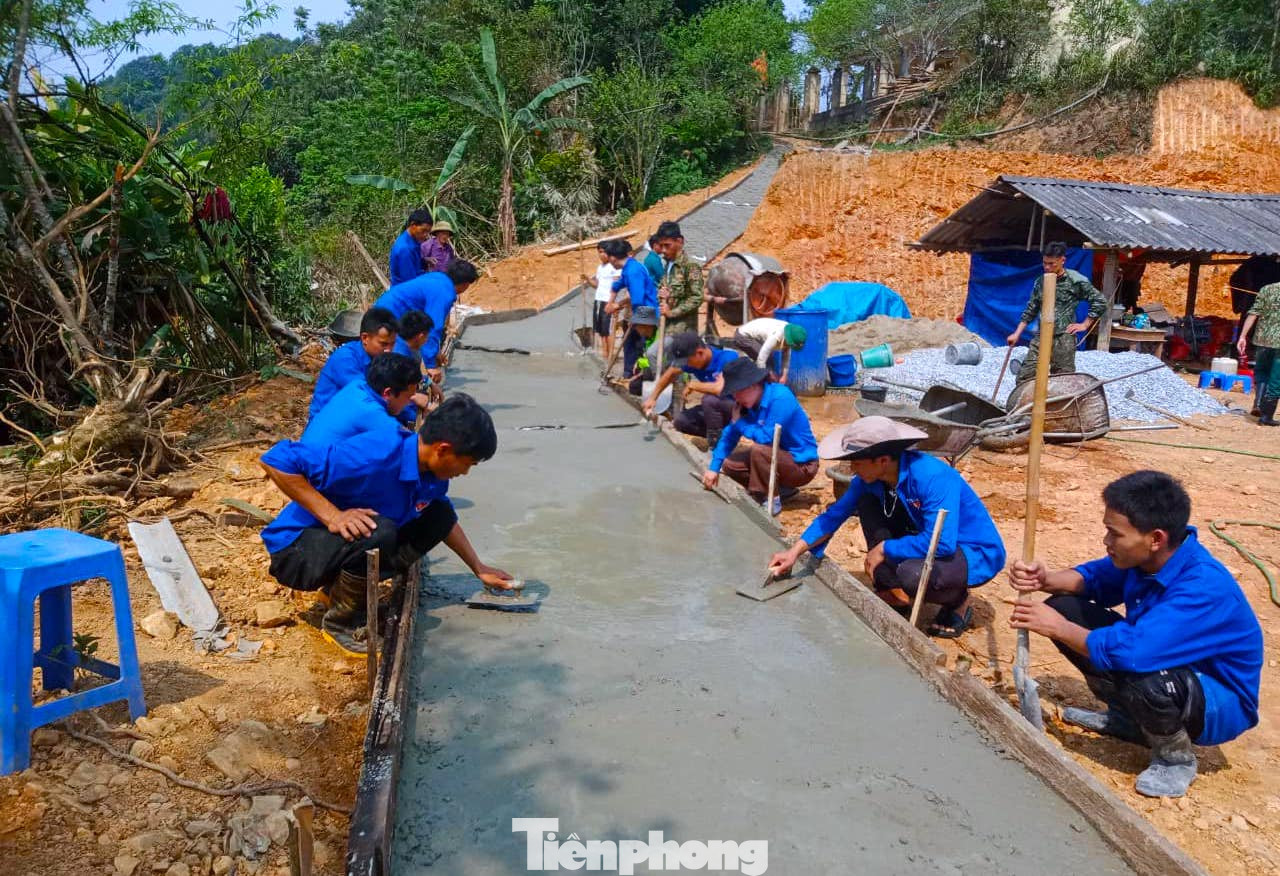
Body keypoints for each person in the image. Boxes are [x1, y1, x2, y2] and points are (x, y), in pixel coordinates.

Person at [1008, 471, 1263, 798]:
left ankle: (1175, 758)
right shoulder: (1147, 560)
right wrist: (1045, 579)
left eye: (1114, 534)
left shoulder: (1203, 588)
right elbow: (1096, 579)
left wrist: (1058, 628)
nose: (1106, 541)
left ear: (1155, 538)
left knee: (1140, 670)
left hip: (1217, 698)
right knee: (1066, 609)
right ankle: (1128, 721)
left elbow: (1136, 652)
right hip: (1166, 663)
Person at [259, 393, 517, 655]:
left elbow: (446, 520)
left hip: (335, 548)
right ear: (443, 449)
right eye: (467, 464)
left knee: (438, 514)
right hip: (296, 553)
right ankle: (340, 624)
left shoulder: (433, 475)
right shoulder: (373, 455)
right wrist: (333, 515)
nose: (465, 472)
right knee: (380, 531)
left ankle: (338, 596)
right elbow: (277, 459)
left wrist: (478, 567)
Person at [770, 417, 1005, 637]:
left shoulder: (931, 477)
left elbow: (941, 543)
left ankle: (957, 601)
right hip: (923, 533)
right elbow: (834, 516)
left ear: (882, 461)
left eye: (857, 463)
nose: (853, 469)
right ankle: (891, 588)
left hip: (969, 549)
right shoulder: (869, 480)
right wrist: (794, 552)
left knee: (912, 574)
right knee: (868, 502)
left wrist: (884, 548)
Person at [700, 358, 819, 515]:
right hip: (775, 457)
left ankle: (772, 501)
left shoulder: (780, 398)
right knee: (729, 464)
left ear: (753, 385)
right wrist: (713, 468)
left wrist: (740, 423)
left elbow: (766, 438)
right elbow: (729, 435)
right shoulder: (746, 405)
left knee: (759, 451)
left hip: (801, 465)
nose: (736, 397)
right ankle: (781, 490)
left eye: (738, 391)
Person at [1006, 242, 1107, 383]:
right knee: (1025, 376)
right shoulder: (1041, 282)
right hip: (1042, 336)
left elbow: (1100, 301)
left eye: (1051, 264)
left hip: (1063, 337)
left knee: (1062, 380)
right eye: (1044, 263)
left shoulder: (1075, 280)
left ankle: (1056, 404)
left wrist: (1085, 324)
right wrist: (1016, 334)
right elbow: (1031, 309)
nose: (1047, 267)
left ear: (1062, 260)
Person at [374, 260, 479, 379]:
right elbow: (433, 327)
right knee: (402, 360)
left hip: (389, 307)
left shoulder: (439, 278)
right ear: (465, 284)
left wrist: (436, 352)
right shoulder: (444, 293)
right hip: (391, 315)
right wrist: (431, 365)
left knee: (412, 356)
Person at [300, 353, 422, 446]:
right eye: (408, 397)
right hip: (314, 474)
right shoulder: (371, 412)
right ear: (388, 393)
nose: (410, 402)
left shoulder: (356, 386)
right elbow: (415, 446)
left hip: (305, 458)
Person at [644, 331, 740, 447]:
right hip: (716, 413)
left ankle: (717, 445)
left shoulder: (728, 358)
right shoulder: (693, 361)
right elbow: (670, 374)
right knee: (680, 421)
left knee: (709, 399)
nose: (687, 365)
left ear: (700, 353)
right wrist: (653, 398)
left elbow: (719, 389)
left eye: (688, 361)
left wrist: (693, 385)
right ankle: (720, 438)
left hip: (737, 409)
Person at [308, 307, 398, 422]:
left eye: (393, 344)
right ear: (365, 338)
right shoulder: (345, 360)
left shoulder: (378, 358)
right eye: (383, 344)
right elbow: (367, 397)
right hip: (327, 425)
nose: (389, 350)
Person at [604, 239, 659, 378]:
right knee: (629, 343)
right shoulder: (628, 268)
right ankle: (628, 374)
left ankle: (643, 375)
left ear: (612, 258)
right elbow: (616, 286)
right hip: (639, 310)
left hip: (646, 311)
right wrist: (610, 303)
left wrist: (632, 317)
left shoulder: (633, 271)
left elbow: (638, 299)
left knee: (642, 345)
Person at [1236, 280, 1280, 426]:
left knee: (1262, 372)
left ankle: (1258, 405)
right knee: (1276, 379)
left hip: (1262, 341)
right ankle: (1266, 416)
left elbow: (1254, 312)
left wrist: (1242, 336)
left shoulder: (1266, 288)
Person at [653, 221, 703, 334]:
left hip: (682, 331)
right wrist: (661, 294)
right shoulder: (667, 265)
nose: (663, 250)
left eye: (667, 245)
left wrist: (672, 312)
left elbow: (697, 297)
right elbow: (662, 290)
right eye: (661, 246)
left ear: (679, 241)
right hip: (666, 327)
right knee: (652, 351)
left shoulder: (690, 266)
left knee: (652, 352)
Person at [732, 317, 806, 381]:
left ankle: (763, 381)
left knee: (769, 363)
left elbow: (786, 357)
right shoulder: (777, 334)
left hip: (756, 339)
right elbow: (762, 357)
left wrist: (784, 376)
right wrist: (769, 375)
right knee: (765, 362)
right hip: (742, 336)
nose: (789, 346)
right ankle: (761, 385)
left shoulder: (790, 335)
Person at [583, 241, 622, 360]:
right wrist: (588, 280)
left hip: (608, 301)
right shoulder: (600, 267)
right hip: (599, 300)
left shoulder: (614, 266)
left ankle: (610, 356)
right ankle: (605, 354)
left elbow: (617, 285)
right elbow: (597, 285)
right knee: (601, 330)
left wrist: (612, 302)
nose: (601, 255)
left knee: (608, 330)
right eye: (599, 252)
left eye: (603, 252)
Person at [389, 208, 432, 286]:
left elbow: (414, 263)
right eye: (423, 230)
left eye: (428, 232)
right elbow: (410, 283)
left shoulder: (414, 240)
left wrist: (424, 261)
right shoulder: (405, 249)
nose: (426, 235)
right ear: (413, 225)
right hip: (404, 293)